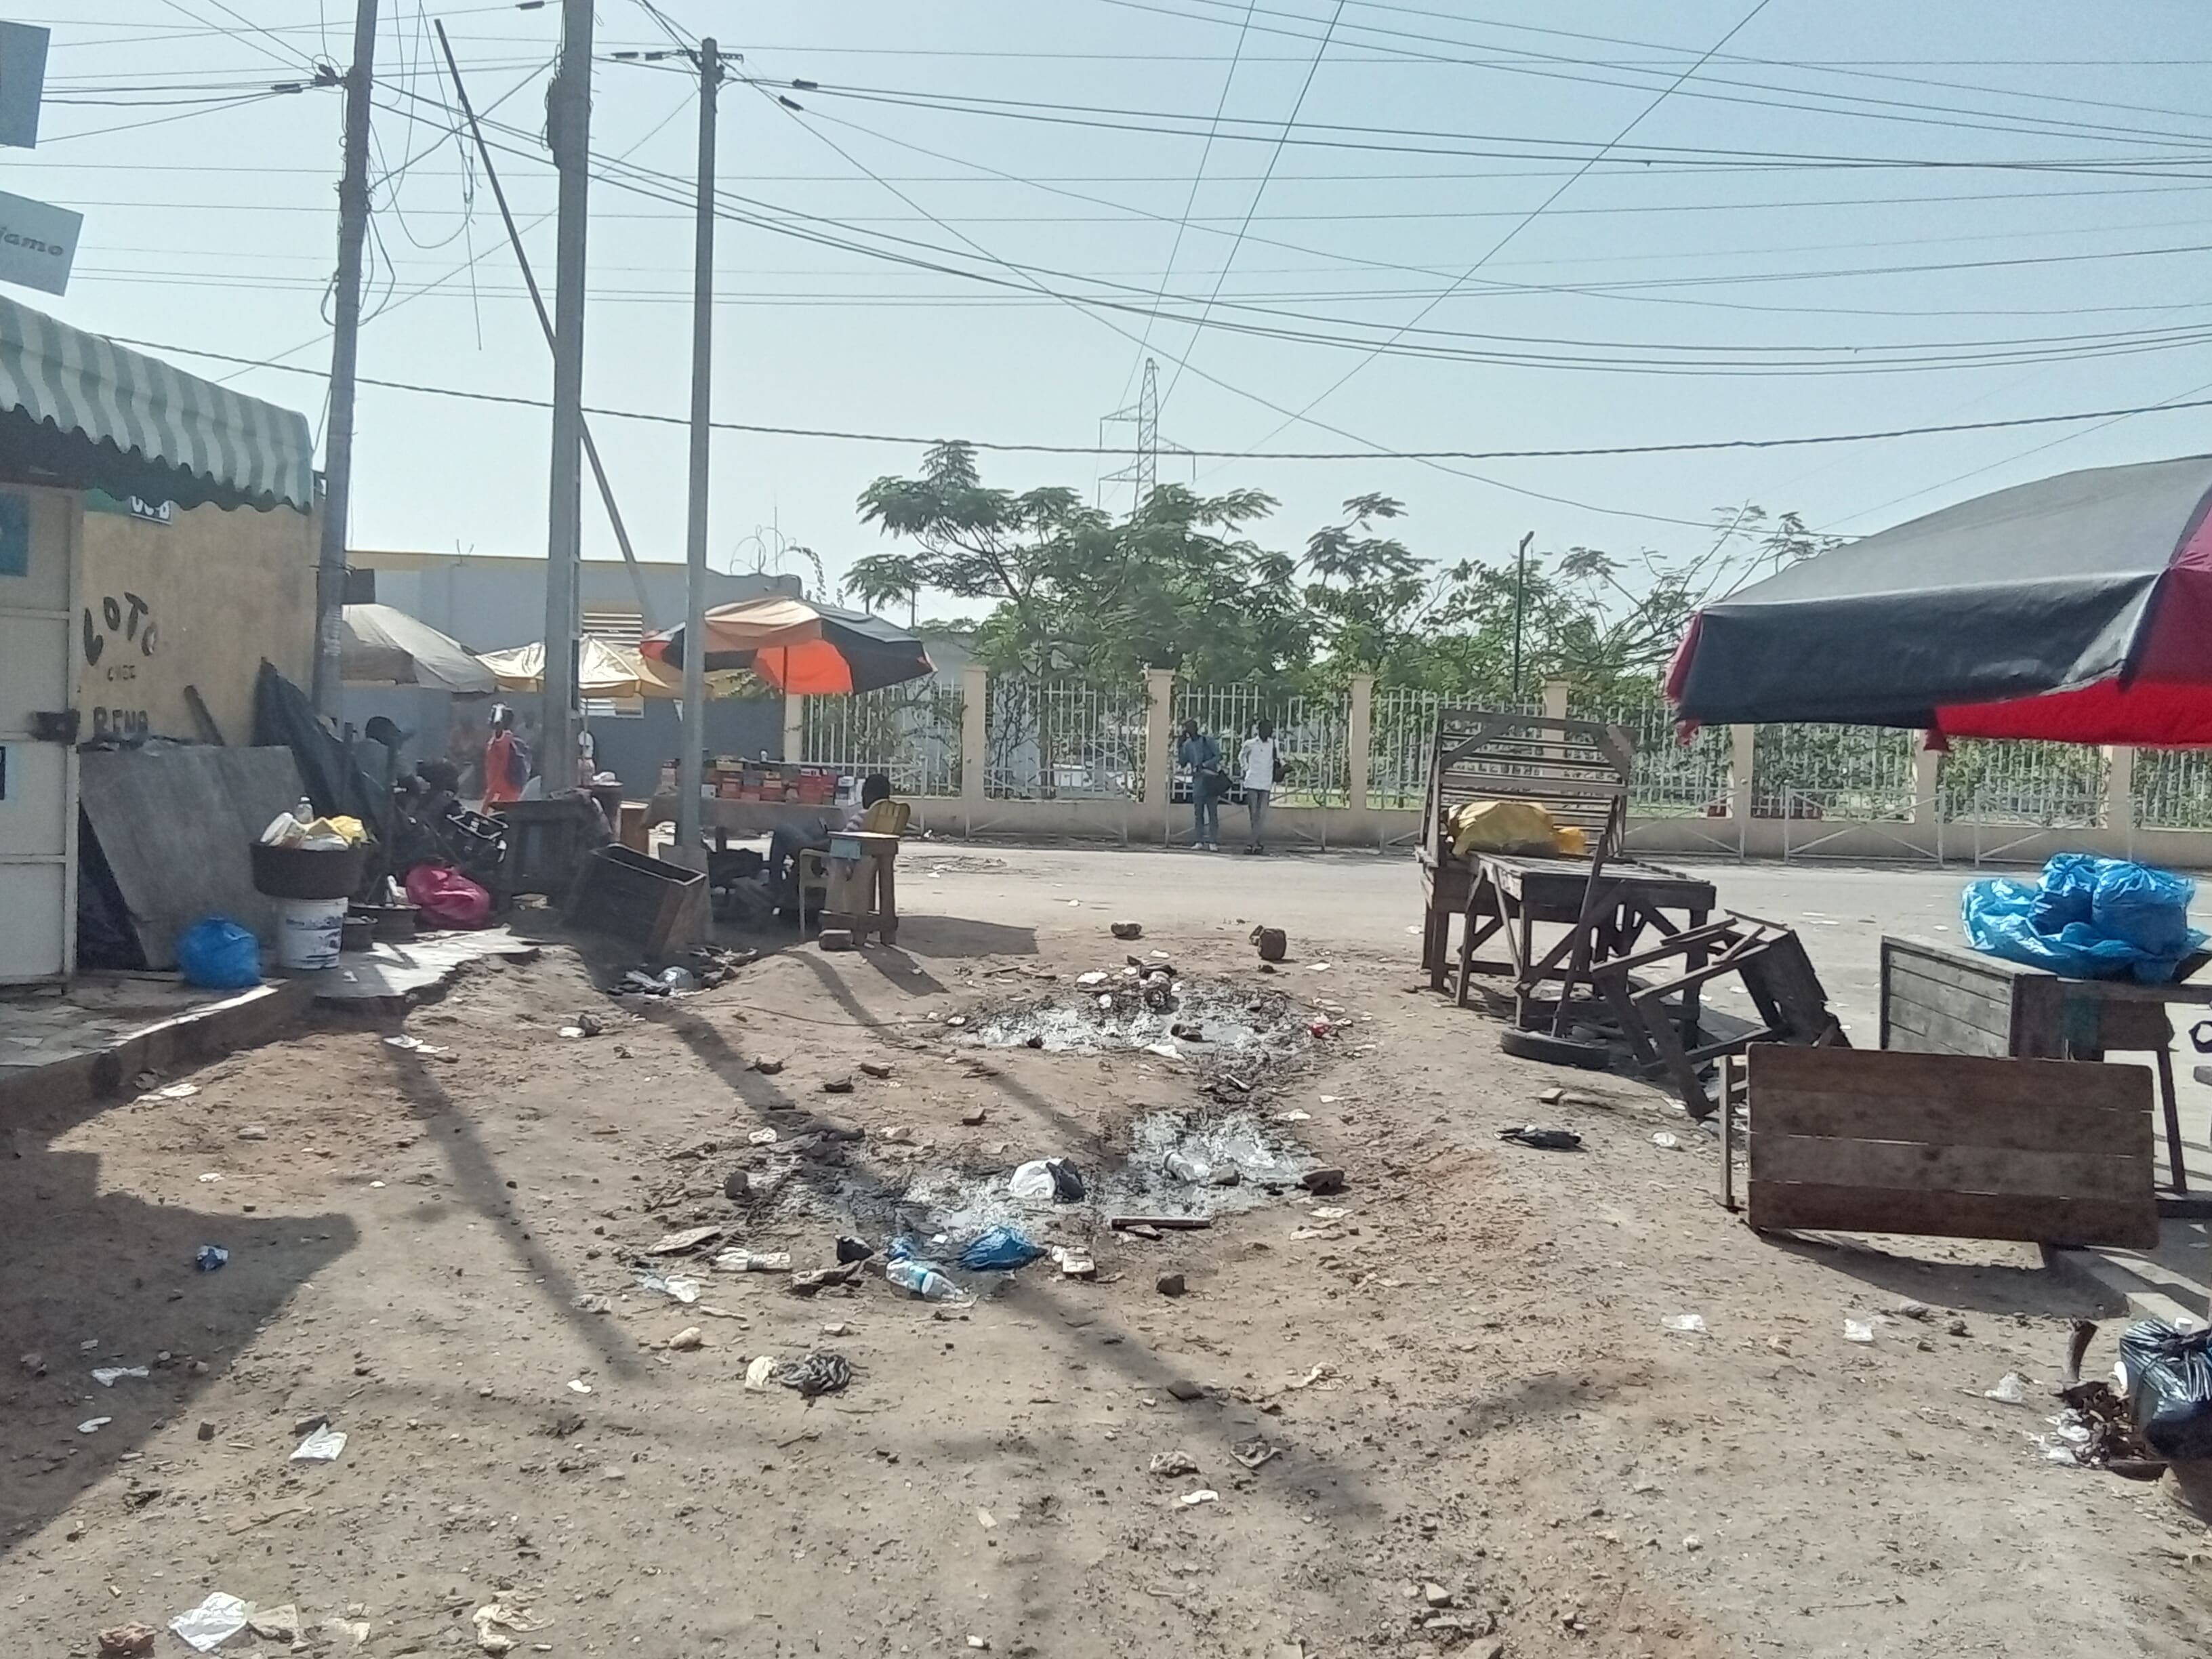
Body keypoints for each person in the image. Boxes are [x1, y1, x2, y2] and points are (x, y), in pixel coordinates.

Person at [769, 771, 893, 898]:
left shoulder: (863, 816)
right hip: (853, 861)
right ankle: (786, 889)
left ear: (867, 794)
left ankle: (774, 887)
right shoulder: (886, 820)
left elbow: (841, 844)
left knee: (781, 831)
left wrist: (813, 845)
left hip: (831, 863)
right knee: (814, 831)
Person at [1176, 718, 1223, 851]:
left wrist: (1204, 765)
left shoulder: (1208, 741)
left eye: (1192, 727)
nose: (1190, 730)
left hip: (1211, 779)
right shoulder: (1187, 745)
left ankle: (1213, 841)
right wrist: (1179, 747)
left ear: (1196, 728)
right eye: (1187, 728)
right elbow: (1183, 763)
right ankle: (1199, 840)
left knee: (1212, 812)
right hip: (1197, 781)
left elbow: (1218, 756)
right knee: (1198, 813)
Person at [1238, 718, 1281, 854]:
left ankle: (1251, 844)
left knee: (1261, 815)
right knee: (1254, 815)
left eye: (1270, 729)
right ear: (1260, 730)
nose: (1269, 732)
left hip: (1266, 782)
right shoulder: (1250, 744)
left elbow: (1278, 759)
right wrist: (1245, 768)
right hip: (1252, 781)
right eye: (1266, 729)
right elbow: (1241, 756)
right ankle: (1256, 843)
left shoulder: (1274, 744)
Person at [481, 705, 527, 807]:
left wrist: (499, 710)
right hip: (503, 788)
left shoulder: (503, 738)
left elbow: (498, 726)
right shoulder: (508, 738)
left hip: (501, 789)